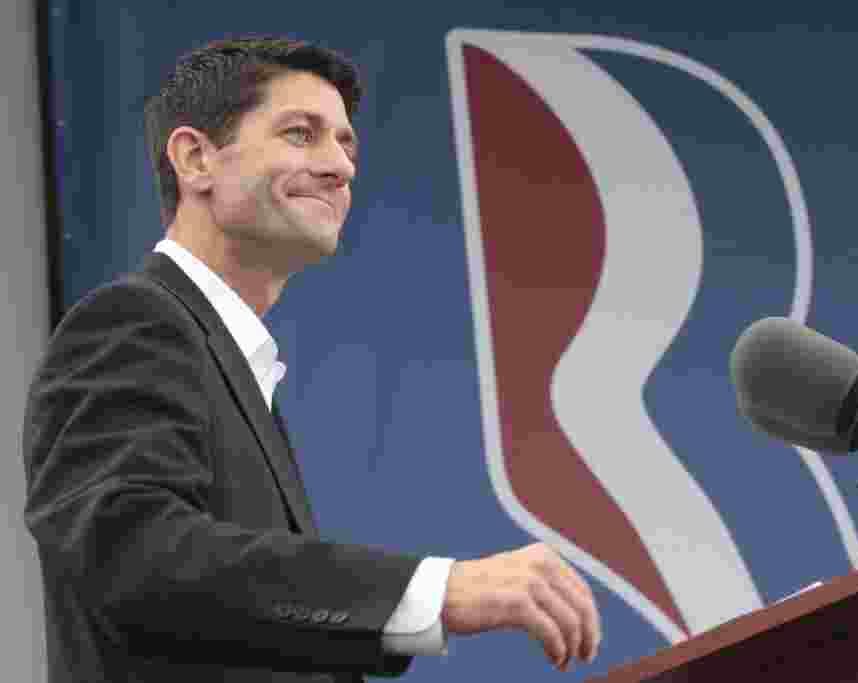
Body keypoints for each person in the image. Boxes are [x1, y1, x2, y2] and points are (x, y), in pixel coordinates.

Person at [22, 35, 601, 683]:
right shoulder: (135, 321)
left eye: (347, 145)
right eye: (301, 134)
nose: (340, 167)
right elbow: (126, 553)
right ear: (195, 158)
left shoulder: (230, 363)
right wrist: (439, 590)